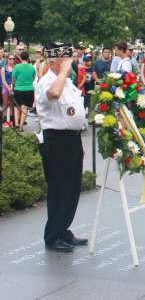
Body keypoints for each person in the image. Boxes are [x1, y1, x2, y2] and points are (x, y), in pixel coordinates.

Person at [36, 42, 87, 252]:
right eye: (65, 62)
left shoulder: (67, 83)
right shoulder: (46, 82)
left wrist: (78, 140)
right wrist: (65, 71)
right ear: (53, 62)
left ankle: (64, 230)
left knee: (73, 189)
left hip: (72, 139)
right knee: (59, 190)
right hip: (56, 140)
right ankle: (53, 236)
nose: (70, 65)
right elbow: (53, 95)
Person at [11, 50, 36, 131]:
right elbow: (33, 78)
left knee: (16, 107)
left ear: (20, 57)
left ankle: (16, 123)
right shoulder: (31, 67)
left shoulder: (17, 67)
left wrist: (14, 85)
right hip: (29, 89)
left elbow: (13, 78)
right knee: (25, 108)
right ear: (28, 58)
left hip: (18, 88)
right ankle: (21, 126)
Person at [1, 53, 15, 127]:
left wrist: (12, 87)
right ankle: (5, 120)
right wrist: (8, 88)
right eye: (10, 59)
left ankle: (12, 119)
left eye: (13, 59)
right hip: (6, 86)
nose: (12, 60)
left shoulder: (15, 68)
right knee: (5, 103)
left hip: (13, 86)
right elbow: (3, 80)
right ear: (7, 59)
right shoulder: (3, 68)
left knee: (12, 104)